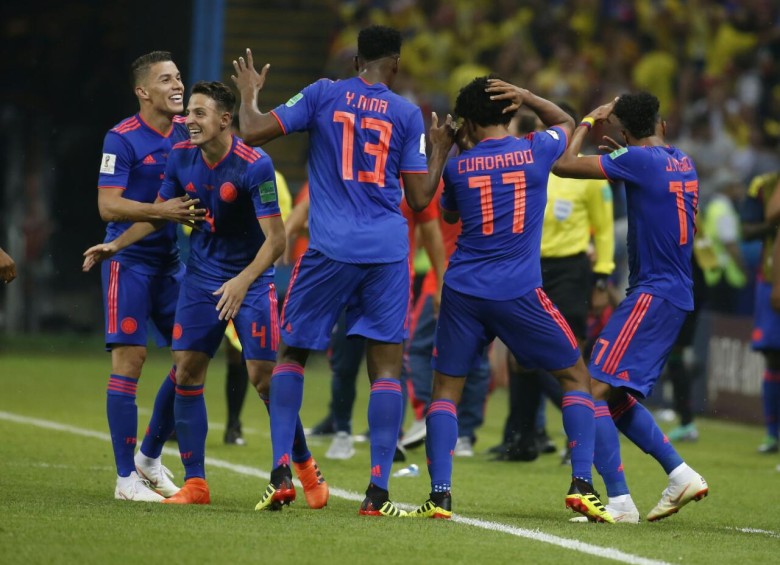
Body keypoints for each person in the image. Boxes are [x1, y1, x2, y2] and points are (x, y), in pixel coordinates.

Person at [85, 81, 329, 508]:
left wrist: (242, 282)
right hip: (200, 278)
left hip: (251, 280)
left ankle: (305, 466)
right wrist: (116, 244)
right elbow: (165, 213)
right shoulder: (180, 158)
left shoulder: (256, 165)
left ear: (224, 120)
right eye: (189, 113)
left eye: (199, 114)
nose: (189, 122)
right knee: (186, 370)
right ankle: (196, 483)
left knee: (263, 377)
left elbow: (275, 242)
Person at [231, 25, 443, 516]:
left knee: (292, 356)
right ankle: (377, 494)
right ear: (395, 66)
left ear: (355, 63)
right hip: (388, 253)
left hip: (329, 247)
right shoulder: (408, 113)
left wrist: (248, 96)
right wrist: (441, 149)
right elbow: (419, 198)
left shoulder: (324, 94)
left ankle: (282, 472)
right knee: (387, 369)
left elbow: (252, 131)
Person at [408, 76, 613, 523]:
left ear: (466, 123)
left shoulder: (460, 169)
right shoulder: (537, 148)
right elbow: (567, 120)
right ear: (509, 109)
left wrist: (452, 150)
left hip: (463, 290)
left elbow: (447, 214)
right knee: (576, 378)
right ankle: (581, 484)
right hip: (519, 291)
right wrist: (531, 96)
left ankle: (440, 495)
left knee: (446, 391)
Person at [552, 90, 709, 522]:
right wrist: (623, 151)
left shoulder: (635, 161)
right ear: (662, 125)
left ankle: (619, 500)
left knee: (590, 388)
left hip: (653, 292)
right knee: (616, 395)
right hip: (675, 291)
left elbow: (562, 163)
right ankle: (679, 474)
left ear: (622, 131)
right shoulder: (683, 161)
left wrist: (586, 121)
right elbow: (674, 205)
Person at [94, 51, 207, 502]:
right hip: (128, 263)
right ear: (143, 91)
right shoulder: (120, 139)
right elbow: (108, 205)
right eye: (166, 79)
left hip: (170, 265)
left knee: (190, 359)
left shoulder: (187, 135)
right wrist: (161, 210)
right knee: (131, 362)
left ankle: (149, 458)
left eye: (179, 77)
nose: (177, 86)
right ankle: (125, 480)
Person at [495, 105, 615, 462]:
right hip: (528, 265)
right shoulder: (530, 162)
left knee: (565, 357)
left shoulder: (584, 172)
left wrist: (602, 276)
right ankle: (521, 439)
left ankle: (578, 436)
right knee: (521, 355)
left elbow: (605, 228)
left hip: (570, 271)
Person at [742, 171, 780, 455]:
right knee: (773, 355)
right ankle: (771, 433)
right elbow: (751, 228)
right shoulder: (764, 185)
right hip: (771, 277)